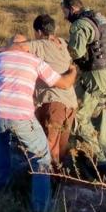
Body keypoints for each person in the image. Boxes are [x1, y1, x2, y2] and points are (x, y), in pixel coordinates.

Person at [0, 35, 77, 212]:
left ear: (8, 45)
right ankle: (41, 209)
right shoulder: (35, 61)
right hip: (21, 115)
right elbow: (63, 84)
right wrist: (73, 72)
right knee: (41, 156)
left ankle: (2, 184)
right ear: (26, 46)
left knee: (1, 143)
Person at [60, 0, 106, 166]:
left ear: (72, 8)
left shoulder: (80, 24)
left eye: (64, 10)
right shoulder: (98, 18)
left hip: (94, 76)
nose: (64, 15)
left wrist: (62, 46)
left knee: (77, 117)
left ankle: (99, 160)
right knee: (98, 113)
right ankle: (100, 150)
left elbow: (75, 52)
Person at [25, 14, 77, 169]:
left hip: (54, 104)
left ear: (39, 32)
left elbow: (20, 48)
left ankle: (49, 185)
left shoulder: (40, 44)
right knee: (60, 148)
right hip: (71, 104)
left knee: (48, 148)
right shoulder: (62, 42)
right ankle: (60, 182)